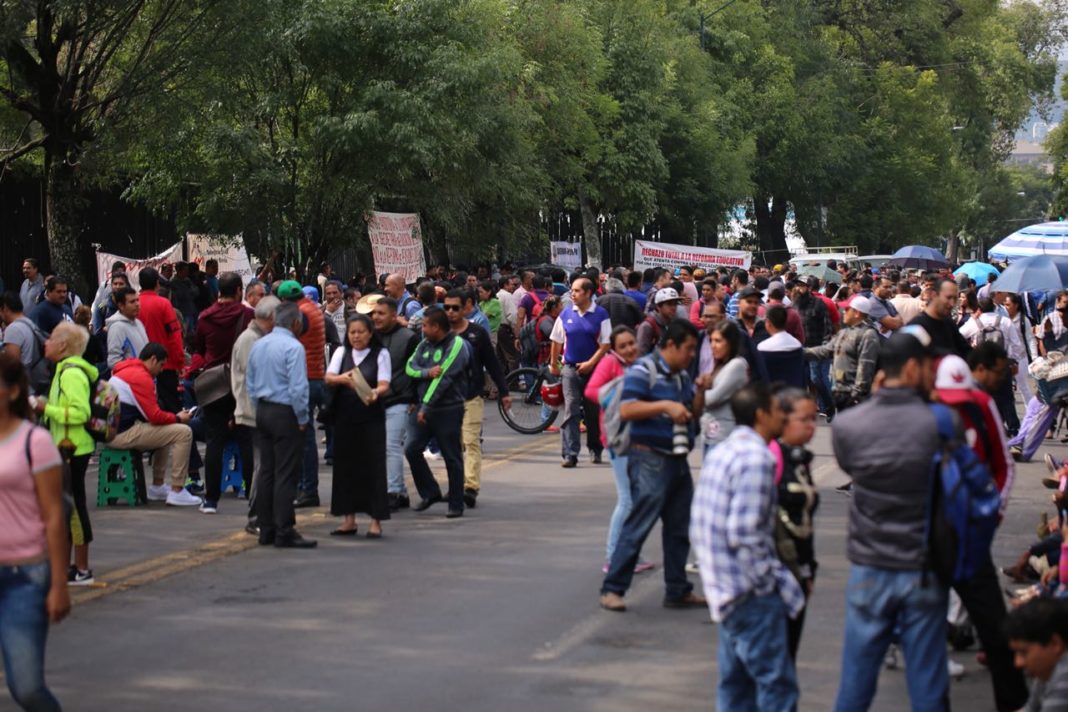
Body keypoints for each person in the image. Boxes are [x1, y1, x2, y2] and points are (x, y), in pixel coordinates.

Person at [831, 328, 953, 711]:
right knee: (928, 679)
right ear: (914, 367)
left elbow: (852, 467)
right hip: (922, 564)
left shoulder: (848, 426)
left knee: (856, 678)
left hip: (869, 564)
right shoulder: (942, 423)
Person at [690, 381, 802, 709]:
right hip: (749, 592)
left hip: (725, 589)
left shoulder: (723, 451)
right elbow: (746, 534)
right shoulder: (756, 459)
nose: (783, 418)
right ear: (760, 415)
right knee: (776, 686)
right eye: (777, 411)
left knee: (736, 687)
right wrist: (769, 583)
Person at [933, 353, 1027, 710]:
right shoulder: (924, 412)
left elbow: (1004, 465)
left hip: (973, 532)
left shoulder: (982, 404)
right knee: (922, 626)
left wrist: (994, 516)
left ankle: (1013, 701)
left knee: (994, 625)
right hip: (932, 535)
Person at [599, 319, 705, 612]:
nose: (692, 355)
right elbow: (627, 408)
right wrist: (664, 407)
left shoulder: (680, 376)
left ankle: (677, 589)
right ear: (671, 345)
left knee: (678, 527)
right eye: (688, 349)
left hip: (677, 460)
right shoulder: (643, 370)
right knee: (638, 525)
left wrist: (699, 394)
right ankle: (612, 589)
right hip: (649, 459)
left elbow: (690, 417)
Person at [0, 352, 70, 711]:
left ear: (12, 392)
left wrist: (59, 584)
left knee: (25, 687)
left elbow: (55, 515)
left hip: (24, 576)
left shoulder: (35, 442)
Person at [584, 326, 654, 574]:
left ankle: (629, 553)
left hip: (638, 438)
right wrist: (620, 391)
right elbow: (592, 391)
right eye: (623, 346)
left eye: (631, 344)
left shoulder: (641, 363)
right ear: (614, 349)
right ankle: (614, 556)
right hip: (618, 439)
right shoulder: (610, 363)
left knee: (635, 498)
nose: (629, 349)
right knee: (627, 499)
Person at [246, 301, 316, 549]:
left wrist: (258, 408)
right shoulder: (294, 347)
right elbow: (298, 388)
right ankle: (284, 529)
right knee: (286, 473)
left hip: (264, 409)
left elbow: (250, 383)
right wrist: (302, 418)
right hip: (285, 412)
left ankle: (267, 528)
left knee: (267, 471)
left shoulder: (260, 344)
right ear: (296, 323)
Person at [34, 322, 97, 586]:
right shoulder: (65, 370)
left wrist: (44, 408)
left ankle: (82, 568)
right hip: (65, 446)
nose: (45, 343)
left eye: (50, 339)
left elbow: (80, 413)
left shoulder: (71, 374)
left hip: (73, 448)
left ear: (62, 345)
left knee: (74, 508)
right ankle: (74, 566)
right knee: (67, 507)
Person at [108, 343, 201, 507]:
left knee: (165, 431)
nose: (162, 369)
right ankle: (177, 490)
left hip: (112, 431)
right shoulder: (141, 377)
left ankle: (158, 486)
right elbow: (155, 416)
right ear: (152, 359)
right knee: (183, 432)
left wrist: (171, 419)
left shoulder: (126, 370)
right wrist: (178, 418)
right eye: (161, 364)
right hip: (121, 434)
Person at [325, 314, 391, 538]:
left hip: (371, 418)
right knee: (345, 468)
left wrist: (374, 393)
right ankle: (348, 520)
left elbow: (384, 384)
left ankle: (375, 521)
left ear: (370, 333)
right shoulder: (342, 352)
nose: (356, 336)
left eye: (360, 332)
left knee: (373, 467)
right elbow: (329, 377)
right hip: (345, 418)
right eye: (352, 332)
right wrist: (345, 379)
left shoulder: (380, 354)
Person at [193, 272, 253, 514]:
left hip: (214, 385)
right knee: (246, 440)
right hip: (241, 383)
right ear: (239, 290)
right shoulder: (247, 315)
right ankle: (251, 493)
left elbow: (199, 348)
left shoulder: (204, 318)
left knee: (214, 442)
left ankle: (210, 499)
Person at [443, 290, 510, 508]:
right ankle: (455, 485)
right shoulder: (439, 333)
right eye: (447, 308)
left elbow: (492, 364)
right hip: (445, 399)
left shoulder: (477, 333)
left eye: (455, 307)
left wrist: (504, 391)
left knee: (471, 441)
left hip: (471, 396)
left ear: (466, 308)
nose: (451, 312)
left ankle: (470, 487)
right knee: (453, 444)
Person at [403, 307, 471, 518]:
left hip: (447, 408)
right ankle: (430, 491)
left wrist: (427, 406)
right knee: (412, 449)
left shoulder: (457, 345)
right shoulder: (424, 344)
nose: (421, 329)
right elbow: (410, 367)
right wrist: (426, 373)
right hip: (423, 407)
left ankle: (456, 503)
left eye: (425, 325)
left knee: (451, 456)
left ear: (436, 327)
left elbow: (443, 379)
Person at [770, 387, 820, 659]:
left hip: (798, 570)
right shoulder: (770, 457)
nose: (812, 427)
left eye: (814, 419)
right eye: (805, 420)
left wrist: (808, 570)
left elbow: (806, 521)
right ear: (781, 418)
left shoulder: (800, 458)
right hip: (773, 576)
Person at [549, 278, 611, 468]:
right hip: (570, 369)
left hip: (594, 371)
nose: (572, 294)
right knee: (571, 410)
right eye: (572, 290)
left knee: (592, 412)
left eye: (576, 291)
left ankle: (595, 448)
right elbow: (556, 340)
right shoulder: (566, 313)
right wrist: (554, 363)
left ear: (588, 293)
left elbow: (606, 344)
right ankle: (570, 453)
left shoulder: (601, 314)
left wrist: (591, 363)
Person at [231, 295, 279, 531]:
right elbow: (255, 378)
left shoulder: (258, 338)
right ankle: (256, 516)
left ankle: (262, 514)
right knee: (262, 466)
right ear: (270, 317)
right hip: (253, 412)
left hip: (258, 411)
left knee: (265, 465)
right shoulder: (251, 339)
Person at [371, 297, 419, 511]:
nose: (376, 317)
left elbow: (418, 371)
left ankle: (393, 491)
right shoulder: (370, 337)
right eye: (374, 313)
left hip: (401, 400)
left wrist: (415, 399)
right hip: (375, 400)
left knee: (391, 446)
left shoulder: (409, 338)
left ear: (393, 315)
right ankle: (400, 492)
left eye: (381, 313)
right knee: (380, 447)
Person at [803, 296, 880, 412]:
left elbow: (865, 367)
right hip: (840, 393)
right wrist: (799, 352)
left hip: (853, 398)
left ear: (857, 313)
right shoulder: (844, 332)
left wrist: (856, 395)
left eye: (847, 309)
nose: (843, 312)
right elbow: (825, 351)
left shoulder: (868, 335)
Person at [1004, 598, 1068, 711]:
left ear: (1055, 644)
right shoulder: (1046, 673)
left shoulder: (1064, 678)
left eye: (1023, 653)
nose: (1017, 663)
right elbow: (1029, 708)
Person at [137, 267, 185, 414]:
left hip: (139, 364)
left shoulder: (134, 304)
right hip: (165, 364)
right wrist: (179, 361)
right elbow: (174, 335)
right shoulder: (164, 304)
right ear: (157, 283)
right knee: (172, 407)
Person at [699, 320, 749, 452]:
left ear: (730, 343)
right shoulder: (718, 365)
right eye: (711, 341)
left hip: (724, 435)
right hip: (709, 434)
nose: (713, 346)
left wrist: (697, 392)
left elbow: (711, 399)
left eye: (718, 341)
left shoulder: (737, 365)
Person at [909, 277, 971, 358]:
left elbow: (966, 351)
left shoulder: (949, 324)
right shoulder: (917, 326)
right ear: (934, 295)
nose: (952, 303)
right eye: (948, 297)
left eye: (955, 298)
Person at [757, 305, 805, 388]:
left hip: (773, 395)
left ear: (768, 323)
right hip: (795, 393)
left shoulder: (762, 347)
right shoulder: (796, 344)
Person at [104, 287, 148, 369]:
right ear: (121, 306)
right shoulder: (117, 328)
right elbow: (113, 361)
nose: (137, 304)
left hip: (144, 377)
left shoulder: (138, 323)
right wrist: (133, 371)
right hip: (130, 379)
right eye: (132, 302)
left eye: (137, 300)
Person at [1, 292, 43, 373]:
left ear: (5, 308)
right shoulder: (30, 323)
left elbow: (11, 363)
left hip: (21, 379)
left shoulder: (13, 329)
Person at [637, 287, 680, 356]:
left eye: (675, 304)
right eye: (669, 304)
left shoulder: (673, 323)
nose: (673, 307)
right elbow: (641, 354)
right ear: (658, 307)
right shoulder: (648, 326)